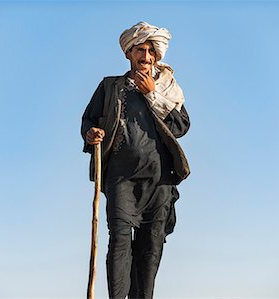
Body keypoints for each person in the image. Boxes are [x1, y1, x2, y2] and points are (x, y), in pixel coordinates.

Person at [81, 21, 190, 299]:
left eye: (150, 51)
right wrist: (91, 133)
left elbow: (182, 126)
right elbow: (88, 121)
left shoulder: (167, 89)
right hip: (120, 177)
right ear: (128, 53)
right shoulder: (109, 87)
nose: (146, 57)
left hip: (160, 180)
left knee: (150, 246)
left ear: (156, 55)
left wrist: (152, 93)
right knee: (119, 239)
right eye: (140, 50)